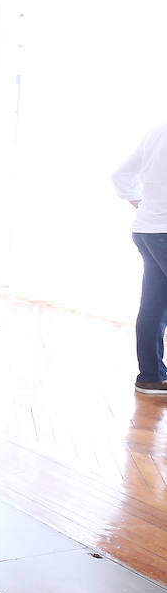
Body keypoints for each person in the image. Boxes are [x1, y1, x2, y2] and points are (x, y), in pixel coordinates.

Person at [112, 120, 167, 396]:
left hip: (146, 229)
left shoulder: (157, 132)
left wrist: (142, 205)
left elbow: (121, 176)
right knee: (154, 306)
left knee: (153, 305)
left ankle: (151, 377)